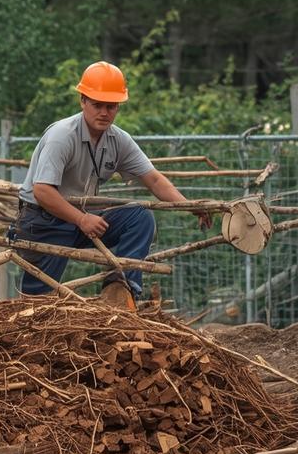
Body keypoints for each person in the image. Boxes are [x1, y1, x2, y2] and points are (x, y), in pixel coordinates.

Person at [13, 61, 208, 308]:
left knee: (139, 217)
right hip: (44, 220)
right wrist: (82, 220)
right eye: (97, 105)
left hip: (82, 217)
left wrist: (189, 206)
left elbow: (154, 180)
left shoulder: (118, 140)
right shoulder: (62, 136)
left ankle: (121, 289)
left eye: (111, 106)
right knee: (36, 304)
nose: (104, 113)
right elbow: (42, 191)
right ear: (82, 101)